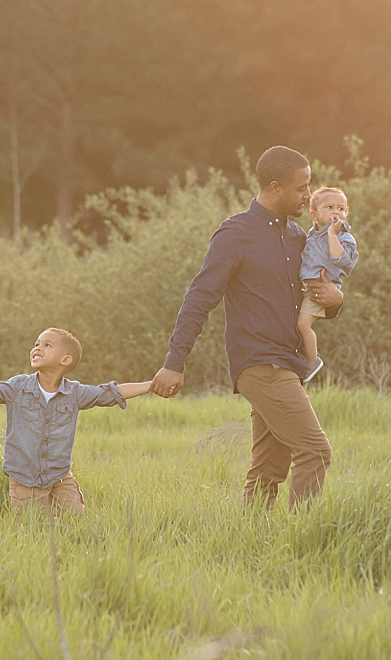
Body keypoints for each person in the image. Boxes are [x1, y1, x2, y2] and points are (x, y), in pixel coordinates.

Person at [151, 145, 344, 508]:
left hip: (290, 364)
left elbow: (317, 296)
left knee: (270, 467)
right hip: (260, 364)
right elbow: (199, 299)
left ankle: (253, 541)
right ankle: (305, 542)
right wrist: (174, 362)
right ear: (275, 188)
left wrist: (337, 302)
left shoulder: (298, 238)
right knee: (315, 452)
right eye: (302, 188)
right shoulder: (234, 234)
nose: (308, 196)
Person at [0, 327, 153, 516]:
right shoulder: (18, 387)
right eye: (36, 344)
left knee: (75, 520)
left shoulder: (75, 393)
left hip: (59, 476)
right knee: (34, 528)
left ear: (65, 360)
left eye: (47, 345)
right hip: (25, 479)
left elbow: (111, 393)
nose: (37, 348)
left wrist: (152, 385)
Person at [296, 186, 358, 383]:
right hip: (305, 288)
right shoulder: (310, 235)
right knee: (298, 324)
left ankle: (313, 361)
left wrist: (332, 234)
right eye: (329, 207)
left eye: (341, 209)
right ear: (314, 215)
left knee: (303, 324)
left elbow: (343, 262)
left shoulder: (344, 238)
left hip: (320, 290)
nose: (336, 212)